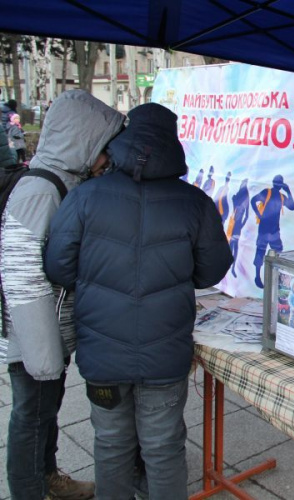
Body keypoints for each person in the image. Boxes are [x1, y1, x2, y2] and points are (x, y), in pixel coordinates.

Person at [44, 102, 233, 500]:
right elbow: (211, 271)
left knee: (111, 445)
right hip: (164, 351)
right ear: (173, 142)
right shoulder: (195, 202)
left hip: (102, 352)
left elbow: (58, 268)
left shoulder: (84, 197)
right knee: (163, 448)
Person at [1, 89, 125, 500]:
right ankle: (29, 491)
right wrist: (44, 357)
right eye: (102, 148)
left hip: (48, 334)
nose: (106, 159)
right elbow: (23, 280)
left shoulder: (61, 182)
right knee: (30, 418)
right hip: (35, 340)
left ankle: (48, 478)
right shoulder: (39, 191)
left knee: (44, 415)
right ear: (82, 140)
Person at [250, 174, 294, 289]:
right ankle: (257, 277)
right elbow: (253, 200)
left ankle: (275, 278)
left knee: (278, 253)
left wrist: (288, 190)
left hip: (274, 230)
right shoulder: (267, 192)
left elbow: (292, 206)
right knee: (261, 251)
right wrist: (259, 214)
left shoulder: (281, 196)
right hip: (265, 229)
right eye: (278, 182)